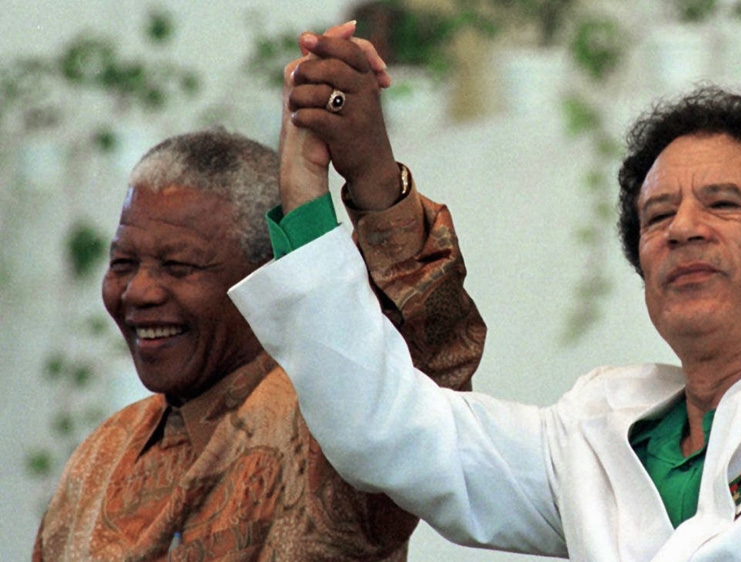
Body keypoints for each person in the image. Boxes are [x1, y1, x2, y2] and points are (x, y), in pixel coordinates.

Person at [231, 16, 741, 561]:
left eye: (723, 203)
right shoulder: (593, 433)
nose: (683, 229)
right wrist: (305, 197)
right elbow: (385, 430)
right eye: (657, 214)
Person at [31, 26, 485, 562]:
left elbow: (432, 377)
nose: (139, 291)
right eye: (122, 263)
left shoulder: (334, 422)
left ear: (264, 274)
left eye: (178, 267)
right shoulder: (103, 455)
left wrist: (370, 174)